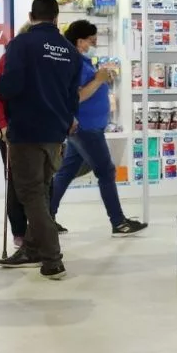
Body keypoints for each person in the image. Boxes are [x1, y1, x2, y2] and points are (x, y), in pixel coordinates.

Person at [0, 0, 82, 279]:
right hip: (55, 133)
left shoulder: (21, 44)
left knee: (30, 194)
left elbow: (9, 86)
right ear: (57, 18)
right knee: (41, 191)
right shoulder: (69, 51)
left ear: (31, 17)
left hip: (27, 131)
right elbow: (72, 97)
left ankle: (52, 259)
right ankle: (31, 249)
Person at [49, 20, 147, 237]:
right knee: (106, 171)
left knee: (66, 172)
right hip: (86, 128)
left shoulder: (80, 61)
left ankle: (47, 218)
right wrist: (98, 80)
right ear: (80, 41)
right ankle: (118, 222)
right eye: (91, 41)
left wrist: (100, 78)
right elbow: (76, 97)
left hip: (85, 128)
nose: (94, 45)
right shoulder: (73, 63)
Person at [0, 23, 68, 248]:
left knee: (45, 182)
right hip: (15, 131)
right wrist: (3, 125)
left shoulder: (50, 60)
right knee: (18, 183)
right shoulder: (8, 60)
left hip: (46, 130)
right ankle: (20, 232)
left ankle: (41, 229)